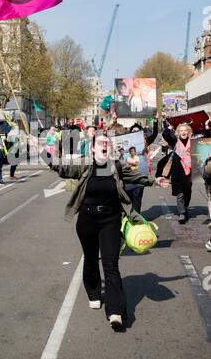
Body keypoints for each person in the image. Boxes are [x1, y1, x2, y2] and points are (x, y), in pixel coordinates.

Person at [28, 132, 157, 329]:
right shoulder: (84, 165)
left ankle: (115, 311)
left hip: (111, 219)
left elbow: (137, 177)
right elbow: (58, 166)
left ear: (110, 148)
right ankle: (94, 292)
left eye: (107, 143)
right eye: (100, 143)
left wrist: (155, 181)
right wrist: (39, 148)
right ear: (93, 148)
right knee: (90, 259)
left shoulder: (117, 166)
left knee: (111, 264)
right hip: (87, 219)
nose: (104, 145)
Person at [156, 123, 192, 224]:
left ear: (188, 132)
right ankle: (182, 213)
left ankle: (185, 207)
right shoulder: (175, 141)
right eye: (181, 130)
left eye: (185, 130)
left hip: (190, 171)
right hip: (177, 171)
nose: (183, 132)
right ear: (178, 132)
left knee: (188, 191)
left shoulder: (192, 142)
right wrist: (170, 126)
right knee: (180, 193)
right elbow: (166, 134)